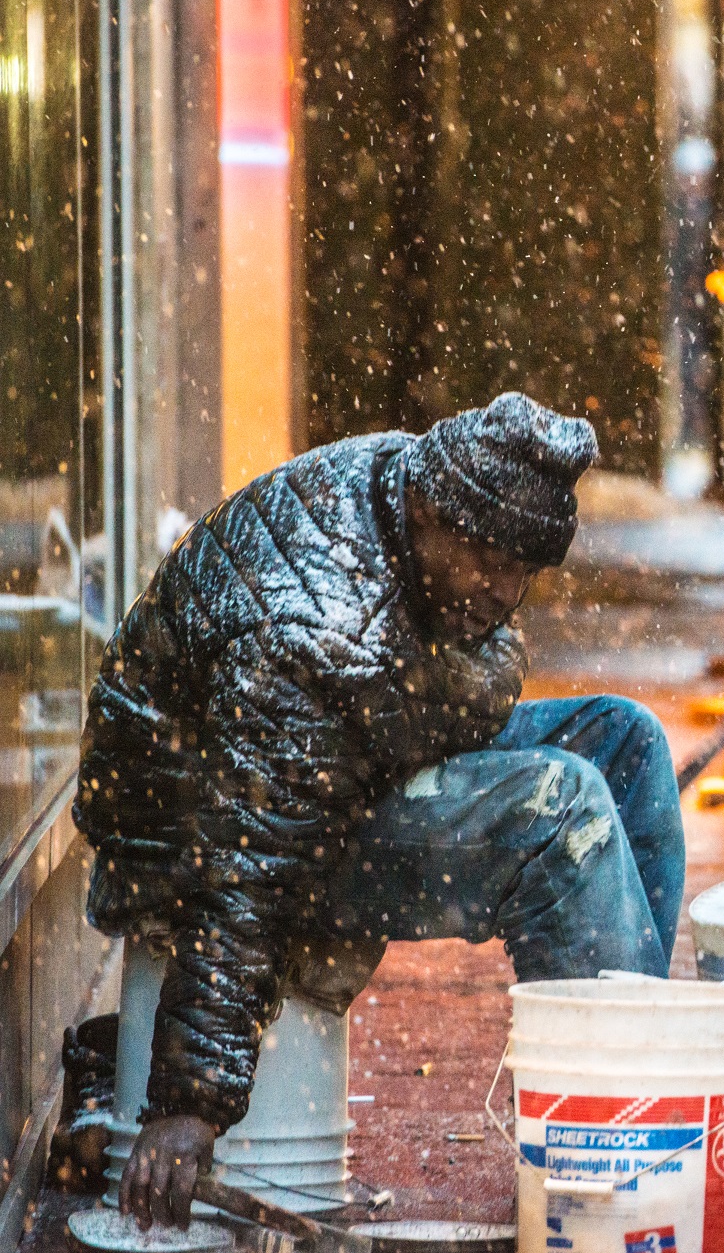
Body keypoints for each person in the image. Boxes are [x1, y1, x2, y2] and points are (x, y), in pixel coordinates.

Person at [71, 393, 686, 1228]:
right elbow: (248, 862)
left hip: (336, 757)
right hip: (191, 841)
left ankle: (654, 1066)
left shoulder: (414, 479)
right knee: (559, 807)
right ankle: (622, 1152)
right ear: (433, 514)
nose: (505, 592)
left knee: (628, 742)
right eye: (488, 562)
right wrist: (189, 1104)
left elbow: (444, 679)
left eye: (523, 570)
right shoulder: (314, 633)